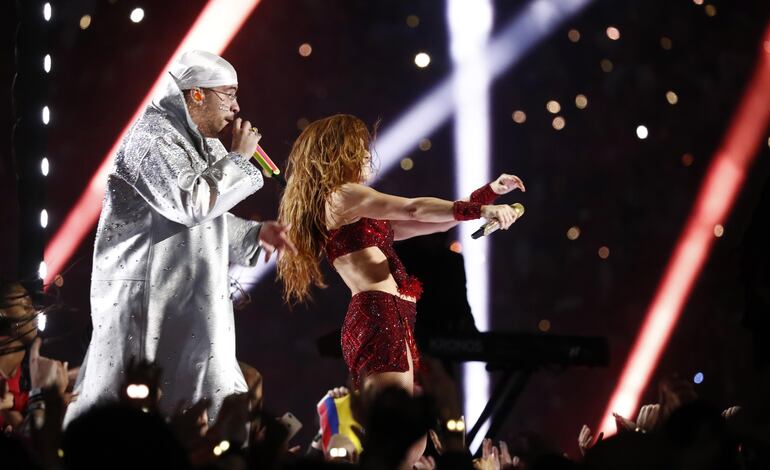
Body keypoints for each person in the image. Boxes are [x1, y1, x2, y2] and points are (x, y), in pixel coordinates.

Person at [65, 50, 295, 426]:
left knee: (209, 406)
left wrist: (254, 233)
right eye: (229, 94)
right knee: (139, 416)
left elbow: (204, 222)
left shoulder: (203, 143)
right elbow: (191, 204)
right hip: (149, 305)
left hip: (190, 304)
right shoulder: (151, 140)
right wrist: (239, 159)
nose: (237, 107)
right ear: (197, 94)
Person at [277, 114, 525, 395]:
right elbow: (413, 208)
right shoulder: (342, 195)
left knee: (398, 417)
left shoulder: (357, 212)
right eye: (359, 147)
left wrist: (488, 194)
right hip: (378, 314)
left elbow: (436, 223)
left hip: (390, 315)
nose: (367, 155)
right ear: (339, 152)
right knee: (393, 417)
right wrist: (482, 211)